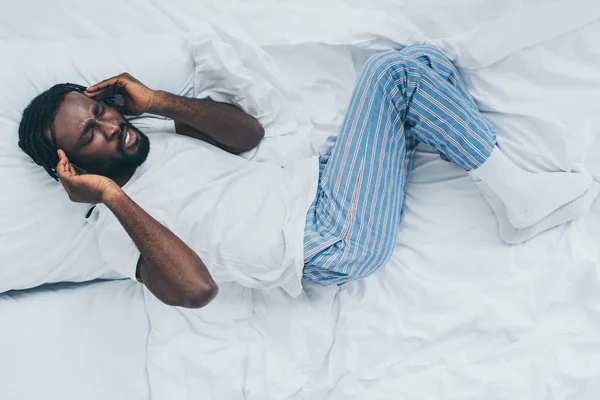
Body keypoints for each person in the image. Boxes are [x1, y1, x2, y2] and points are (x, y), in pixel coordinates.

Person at [18, 45, 595, 309]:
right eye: (89, 135)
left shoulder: (159, 135)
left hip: (321, 188)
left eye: (100, 110)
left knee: (423, 65)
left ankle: (505, 190)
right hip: (324, 239)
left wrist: (159, 100)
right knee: (393, 74)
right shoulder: (116, 231)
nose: (110, 125)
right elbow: (195, 291)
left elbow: (247, 136)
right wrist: (113, 196)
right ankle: (518, 196)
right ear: (68, 167)